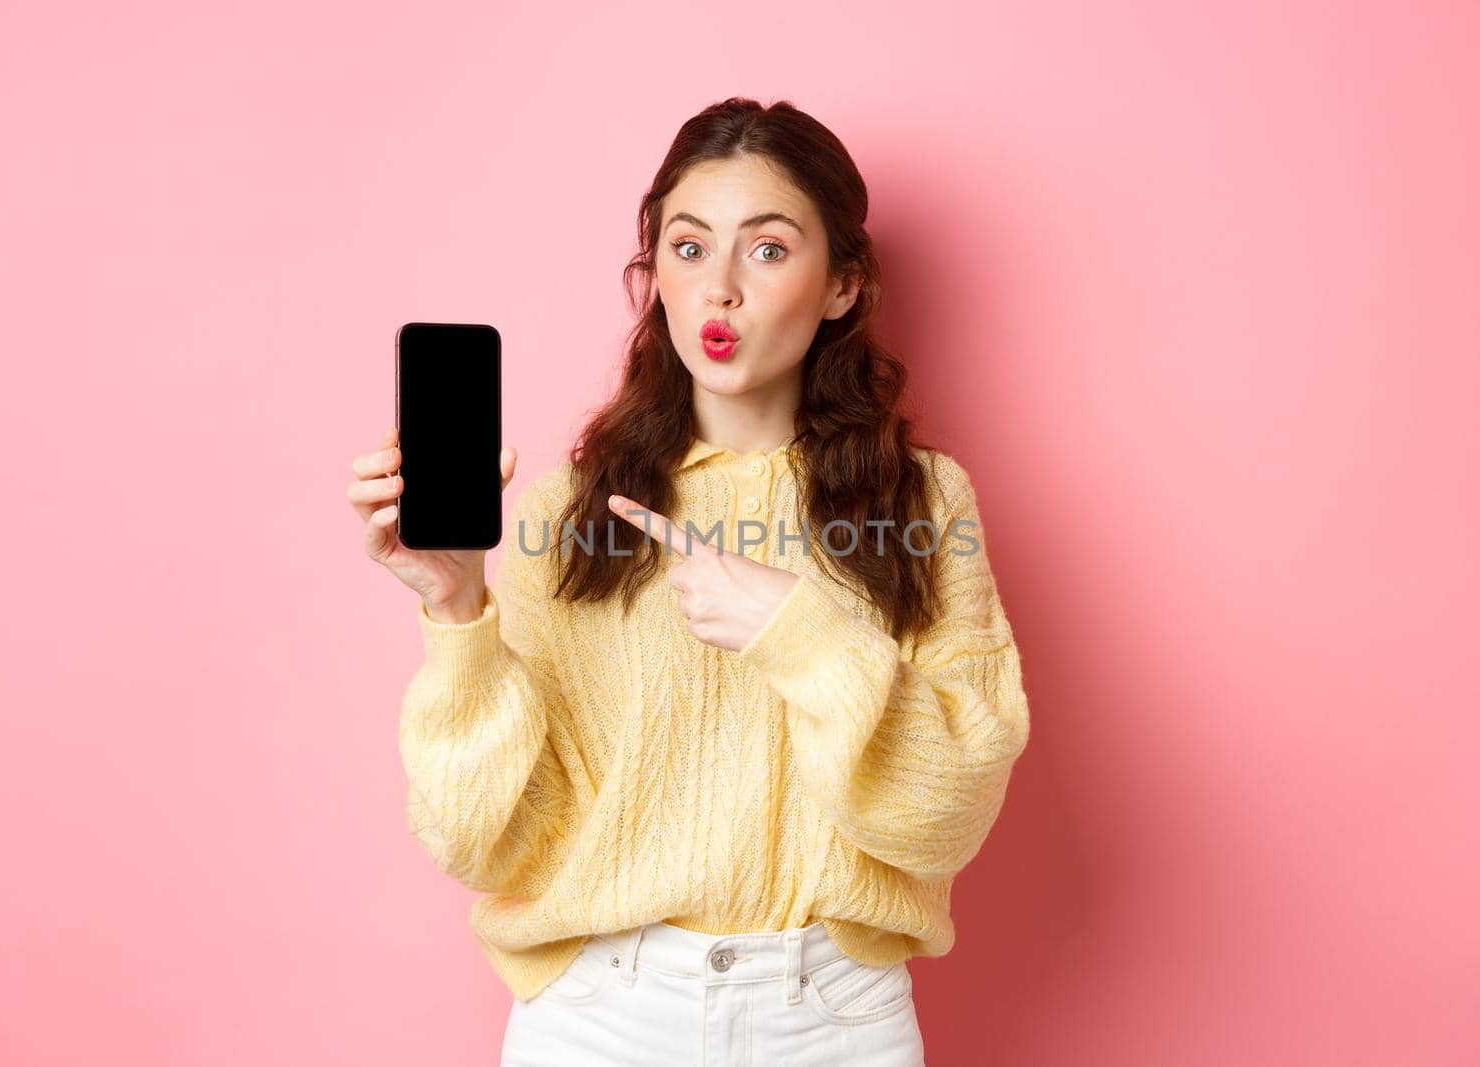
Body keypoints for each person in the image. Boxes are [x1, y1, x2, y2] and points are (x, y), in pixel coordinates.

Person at [345, 96, 1032, 1066]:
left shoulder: (924, 503)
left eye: (766, 249)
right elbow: (484, 844)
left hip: (832, 1018)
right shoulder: (568, 513)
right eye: (687, 245)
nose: (719, 290)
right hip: (601, 1017)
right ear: (652, 274)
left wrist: (799, 629)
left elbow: (946, 816)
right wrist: (456, 608)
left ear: (841, 284)